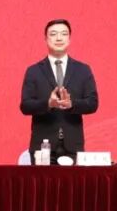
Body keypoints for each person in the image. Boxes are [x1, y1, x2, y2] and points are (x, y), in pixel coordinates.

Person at [20, 19, 99, 163]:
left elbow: (93, 103)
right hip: (42, 147)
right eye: (53, 34)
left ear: (69, 39)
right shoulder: (33, 71)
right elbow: (25, 106)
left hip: (73, 146)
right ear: (45, 39)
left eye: (63, 34)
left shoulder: (83, 70)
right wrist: (48, 104)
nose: (58, 38)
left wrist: (72, 104)